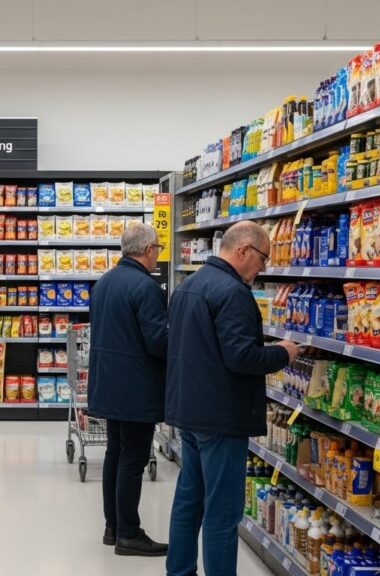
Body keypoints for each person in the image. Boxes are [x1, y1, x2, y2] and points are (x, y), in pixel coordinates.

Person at [165, 221, 301, 576]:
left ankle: (178, 571)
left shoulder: (188, 286)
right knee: (223, 514)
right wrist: (283, 353)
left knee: (188, 502)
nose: (263, 268)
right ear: (244, 250)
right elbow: (242, 357)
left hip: (189, 411)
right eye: (263, 259)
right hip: (221, 417)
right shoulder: (233, 292)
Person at [88, 222, 170, 557]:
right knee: (133, 460)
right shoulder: (145, 287)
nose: (158, 257)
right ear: (148, 250)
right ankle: (129, 533)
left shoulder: (105, 282)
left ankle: (112, 526)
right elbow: (157, 342)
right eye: (158, 251)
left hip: (108, 384)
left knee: (115, 454)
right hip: (135, 387)